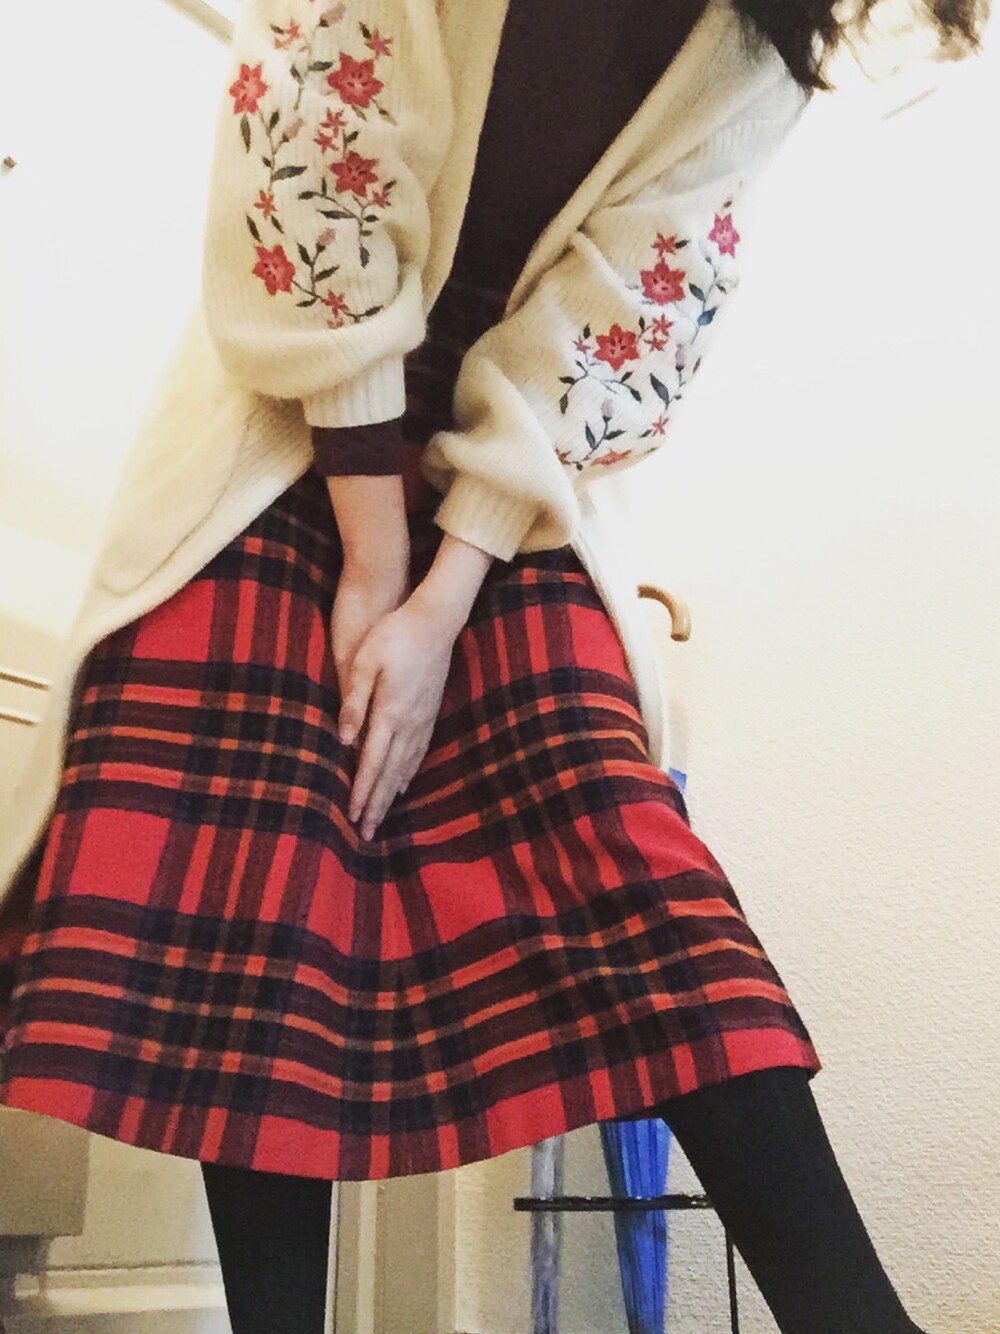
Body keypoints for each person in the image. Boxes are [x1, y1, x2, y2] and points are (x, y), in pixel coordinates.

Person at [0, 0, 988, 1330]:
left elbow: (626, 306)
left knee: (618, 830)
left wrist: (440, 590)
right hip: (293, 419)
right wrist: (372, 556)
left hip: (510, 479)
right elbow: (313, 141)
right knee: (271, 864)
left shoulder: (759, 44)